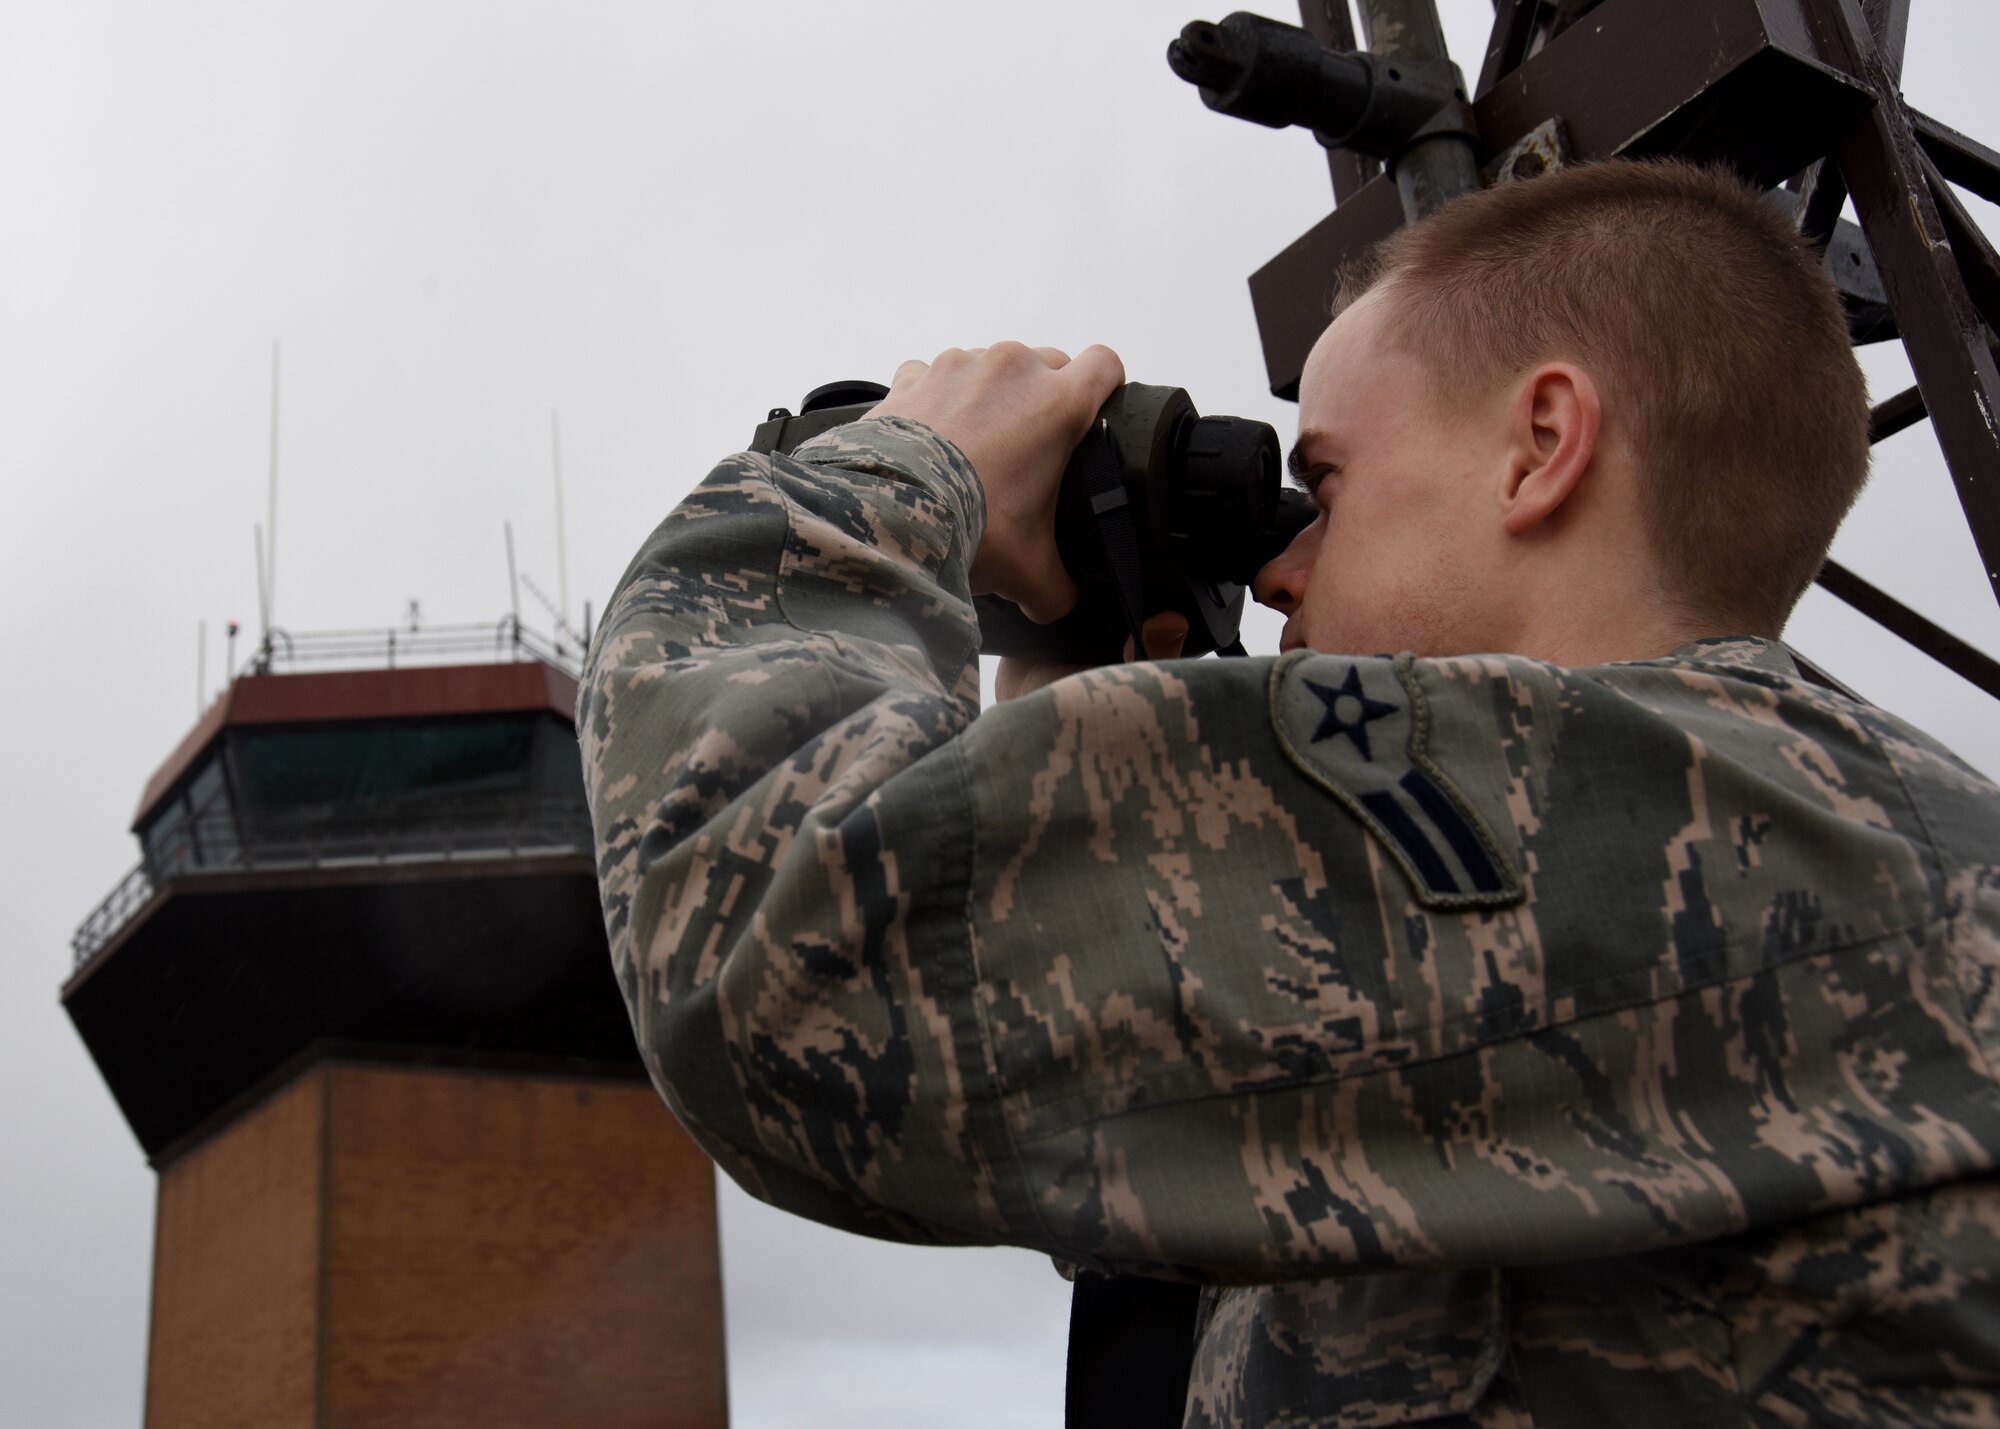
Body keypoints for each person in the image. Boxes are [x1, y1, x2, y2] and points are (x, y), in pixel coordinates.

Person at [576, 159, 2000, 1425]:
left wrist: (888, 474)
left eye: (1322, 482)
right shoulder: (1791, 840)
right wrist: (1093, 729)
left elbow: (765, 949)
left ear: (1541, 443)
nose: (1276, 569)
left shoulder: (1677, 816)